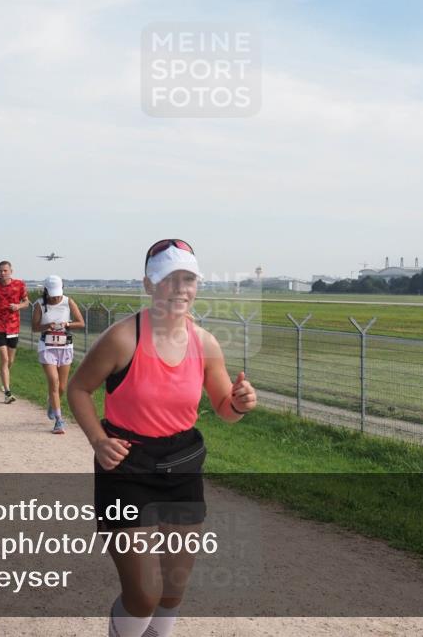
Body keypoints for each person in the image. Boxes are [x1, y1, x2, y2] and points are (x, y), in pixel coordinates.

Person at [67, 239, 257, 637]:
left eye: (188, 279)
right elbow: (79, 389)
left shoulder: (205, 343)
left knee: (172, 590)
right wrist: (99, 441)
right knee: (143, 595)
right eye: (168, 279)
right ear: (149, 285)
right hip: (126, 467)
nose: (179, 289)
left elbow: (226, 409)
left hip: (182, 466)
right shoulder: (123, 339)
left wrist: (239, 402)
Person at [31, 275, 84, 434]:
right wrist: (47, 326)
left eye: (58, 293)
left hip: (65, 347)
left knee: (61, 386)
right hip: (47, 347)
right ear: (46, 291)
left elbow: (81, 323)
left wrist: (67, 324)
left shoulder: (68, 302)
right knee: (53, 381)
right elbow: (34, 327)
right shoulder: (40, 305)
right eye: (52, 294)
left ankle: (52, 404)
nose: (55, 297)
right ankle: (59, 421)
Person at [0, 260, 29, 404]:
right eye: (0, 271)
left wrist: (18, 305)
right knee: (5, 358)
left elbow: (27, 302)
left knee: (10, 360)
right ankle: (8, 393)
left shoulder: (19, 284)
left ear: (11, 271)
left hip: (13, 326)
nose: (2, 273)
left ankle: (2, 374)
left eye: (5, 271)